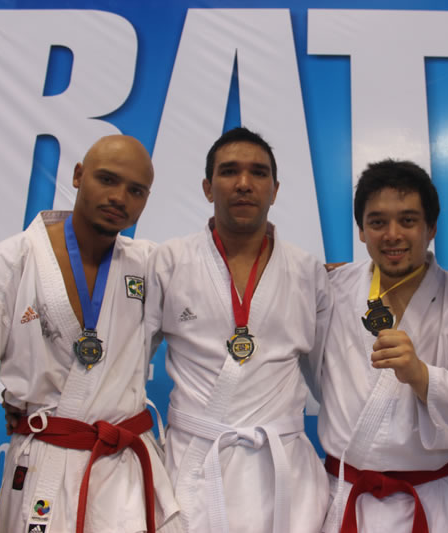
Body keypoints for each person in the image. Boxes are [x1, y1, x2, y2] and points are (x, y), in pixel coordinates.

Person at [0, 135, 180, 533]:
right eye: (107, 179)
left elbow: (214, 315)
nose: (119, 197)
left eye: (135, 190)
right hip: (43, 468)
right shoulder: (13, 260)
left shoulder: (150, 266)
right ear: (78, 175)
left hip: (125, 477)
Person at [144, 127, 332, 533]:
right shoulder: (169, 261)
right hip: (195, 465)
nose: (244, 183)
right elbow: (126, 362)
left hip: (282, 472)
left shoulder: (307, 271)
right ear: (207, 187)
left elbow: (328, 380)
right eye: (229, 171)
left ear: (275, 190)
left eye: (258, 173)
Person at [318, 159, 448, 533]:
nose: (393, 235)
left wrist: (421, 376)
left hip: (437, 504)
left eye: (408, 220)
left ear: (431, 228)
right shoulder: (329, 292)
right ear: (361, 230)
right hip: (346, 497)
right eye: (377, 222)